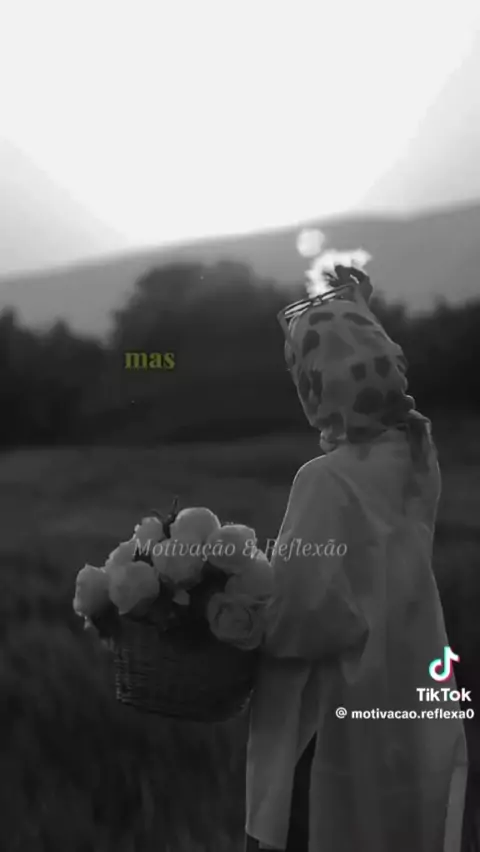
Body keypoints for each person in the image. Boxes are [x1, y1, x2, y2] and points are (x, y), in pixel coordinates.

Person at [244, 264, 468, 852]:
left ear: (315, 386)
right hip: (410, 689)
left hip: (336, 709)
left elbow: (299, 617)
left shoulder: (324, 479)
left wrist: (234, 614)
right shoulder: (417, 455)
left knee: (329, 827)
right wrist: (360, 310)